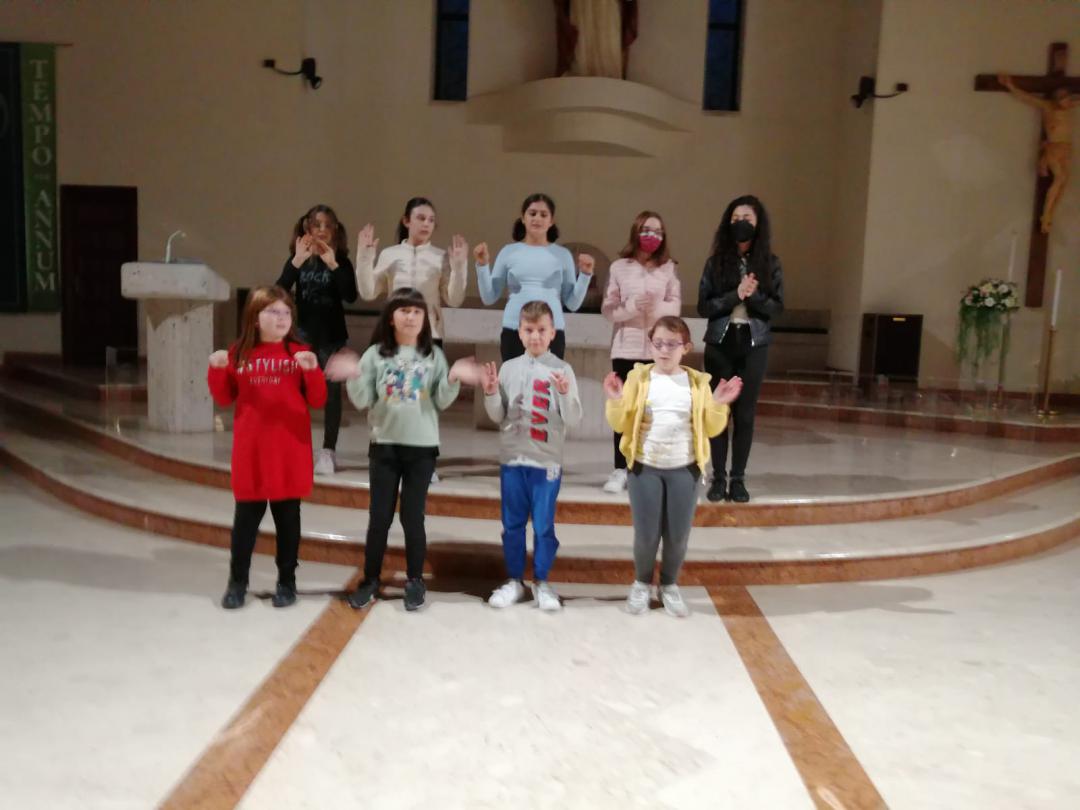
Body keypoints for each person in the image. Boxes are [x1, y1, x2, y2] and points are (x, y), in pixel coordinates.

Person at [325, 288, 485, 612]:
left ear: (425, 319)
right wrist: (353, 376)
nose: (411, 317)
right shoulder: (375, 355)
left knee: (413, 517)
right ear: (390, 317)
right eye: (404, 310)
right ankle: (370, 579)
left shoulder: (432, 355)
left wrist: (453, 377)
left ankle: (415, 579)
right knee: (379, 517)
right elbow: (363, 399)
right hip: (384, 446)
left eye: (417, 312)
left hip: (422, 448)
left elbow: (440, 401)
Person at [603, 316, 742, 617]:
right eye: (658, 344)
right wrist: (615, 400)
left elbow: (711, 427)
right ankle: (641, 583)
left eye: (672, 344)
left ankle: (668, 584)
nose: (664, 350)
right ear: (651, 346)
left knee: (677, 535)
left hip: (684, 469)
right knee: (646, 534)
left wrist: (719, 404)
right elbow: (620, 422)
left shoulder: (697, 383)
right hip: (645, 468)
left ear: (686, 348)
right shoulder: (639, 379)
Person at [207, 286, 328, 610]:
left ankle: (287, 582)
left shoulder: (300, 352)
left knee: (288, 522)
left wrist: (312, 371)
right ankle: (237, 582)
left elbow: (318, 400)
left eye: (286, 312)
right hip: (252, 453)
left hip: (289, 452)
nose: (281, 318)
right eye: (272, 311)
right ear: (255, 317)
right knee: (245, 523)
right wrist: (216, 369)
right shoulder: (239, 353)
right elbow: (224, 397)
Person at [481, 301, 583, 611]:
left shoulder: (562, 370)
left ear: (552, 333)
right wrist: (490, 393)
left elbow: (573, 418)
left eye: (541, 330)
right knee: (512, 524)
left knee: (542, 525)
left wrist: (563, 393)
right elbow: (498, 415)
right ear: (519, 332)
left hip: (545, 462)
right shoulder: (509, 368)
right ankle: (514, 580)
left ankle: (542, 581)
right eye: (529, 329)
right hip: (513, 460)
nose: (535, 336)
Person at [696, 195, 784, 503]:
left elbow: (777, 308)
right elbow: (704, 306)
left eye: (747, 218)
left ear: (758, 224)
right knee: (719, 410)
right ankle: (718, 477)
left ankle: (738, 479)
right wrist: (736, 295)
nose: (741, 223)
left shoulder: (770, 263)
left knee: (745, 415)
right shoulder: (716, 262)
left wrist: (753, 295)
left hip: (753, 343)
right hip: (720, 342)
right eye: (735, 219)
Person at [600, 210, 681, 493]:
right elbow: (608, 309)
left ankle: (648, 468)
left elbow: (675, 305)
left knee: (653, 413)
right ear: (636, 232)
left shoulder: (668, 268)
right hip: (626, 348)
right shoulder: (619, 267)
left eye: (657, 232)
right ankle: (620, 469)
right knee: (624, 411)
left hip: (658, 351)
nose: (651, 236)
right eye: (647, 230)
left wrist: (657, 308)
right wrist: (632, 307)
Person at [275, 204, 357, 476]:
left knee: (332, 395)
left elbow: (350, 295)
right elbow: (278, 291)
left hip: (332, 337)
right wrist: (296, 261)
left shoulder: (341, 260)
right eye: (317, 225)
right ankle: (296, 446)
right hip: (304, 337)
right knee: (296, 393)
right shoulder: (298, 259)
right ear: (307, 228)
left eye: (328, 226)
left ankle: (328, 451)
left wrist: (333, 264)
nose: (322, 230)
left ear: (335, 231)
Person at [474, 192, 594, 361]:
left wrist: (585, 275)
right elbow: (489, 297)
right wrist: (482, 265)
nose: (537, 218)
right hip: (515, 328)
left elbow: (572, 303)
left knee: (548, 378)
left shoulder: (562, 255)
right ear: (523, 218)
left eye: (543, 215)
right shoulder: (508, 252)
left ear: (551, 221)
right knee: (514, 377)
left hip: (550, 331)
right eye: (532, 213)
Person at [354, 196, 469, 347]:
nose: (426, 224)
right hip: (395, 333)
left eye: (431, 220)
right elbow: (368, 293)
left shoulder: (441, 257)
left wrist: (459, 269)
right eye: (421, 218)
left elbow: (454, 300)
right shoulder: (389, 254)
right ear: (406, 221)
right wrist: (364, 258)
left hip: (430, 334)